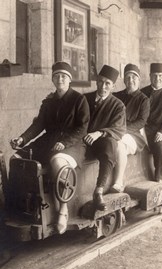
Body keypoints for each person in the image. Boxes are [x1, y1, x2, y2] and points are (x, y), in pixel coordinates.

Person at [10, 61, 90, 234]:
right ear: (53, 79)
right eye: (56, 76)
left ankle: (63, 209)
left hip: (73, 144)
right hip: (49, 141)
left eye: (63, 76)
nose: (60, 79)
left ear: (69, 80)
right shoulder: (48, 102)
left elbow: (82, 128)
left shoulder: (79, 99)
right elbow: (38, 125)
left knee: (58, 162)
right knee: (17, 159)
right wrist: (22, 139)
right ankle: (17, 203)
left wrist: (65, 142)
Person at [83, 65, 126, 211]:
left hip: (101, 143)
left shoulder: (118, 105)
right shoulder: (85, 99)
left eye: (108, 83)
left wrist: (99, 133)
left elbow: (119, 129)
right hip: (82, 140)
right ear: (96, 81)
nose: (103, 86)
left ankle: (99, 191)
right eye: (101, 81)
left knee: (111, 144)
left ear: (113, 86)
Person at [111, 63, 150, 192]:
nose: (130, 80)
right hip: (115, 131)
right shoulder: (116, 96)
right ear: (124, 80)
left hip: (134, 135)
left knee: (119, 144)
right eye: (128, 77)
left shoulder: (143, 100)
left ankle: (118, 182)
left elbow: (141, 122)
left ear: (139, 80)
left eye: (134, 77)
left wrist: (121, 130)